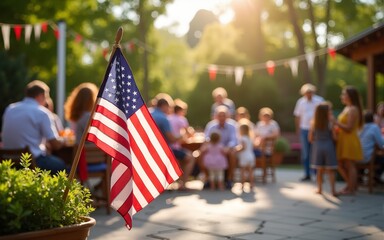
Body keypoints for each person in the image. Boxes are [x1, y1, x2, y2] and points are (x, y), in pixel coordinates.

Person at [1, 80, 66, 174]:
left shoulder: (10, 109)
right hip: (32, 162)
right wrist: (64, 140)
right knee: (62, 166)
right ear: (40, 96)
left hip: (9, 161)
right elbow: (55, 144)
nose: (46, 101)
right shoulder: (42, 112)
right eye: (46, 97)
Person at [150, 95, 195, 190]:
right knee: (190, 157)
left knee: (180, 156)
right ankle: (183, 184)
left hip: (148, 148)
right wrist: (182, 136)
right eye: (169, 107)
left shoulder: (148, 113)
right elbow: (171, 139)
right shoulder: (163, 118)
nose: (170, 110)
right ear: (164, 106)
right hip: (163, 150)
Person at [333, 86, 363, 195]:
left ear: (350, 96)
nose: (342, 96)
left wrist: (335, 122)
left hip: (349, 140)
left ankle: (351, 189)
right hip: (343, 140)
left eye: (344, 94)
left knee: (350, 165)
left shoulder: (353, 109)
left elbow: (349, 128)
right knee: (340, 164)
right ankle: (350, 185)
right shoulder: (347, 108)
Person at [293, 83, 324, 181]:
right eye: (307, 92)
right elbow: (297, 116)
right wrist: (298, 129)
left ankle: (317, 174)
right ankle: (307, 174)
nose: (309, 94)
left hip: (317, 130)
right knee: (306, 153)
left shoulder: (319, 100)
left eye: (310, 92)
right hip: (304, 129)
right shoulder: (300, 102)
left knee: (316, 152)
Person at [204, 105, 238, 189]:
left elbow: (234, 140)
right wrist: (213, 144)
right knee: (199, 155)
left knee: (232, 154)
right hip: (213, 148)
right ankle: (208, 179)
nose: (222, 118)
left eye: (224, 115)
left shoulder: (232, 125)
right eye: (220, 115)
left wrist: (227, 148)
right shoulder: (211, 126)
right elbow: (207, 138)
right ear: (216, 116)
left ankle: (229, 179)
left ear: (227, 116)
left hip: (227, 149)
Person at [308, 102, 338, 196]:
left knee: (319, 169)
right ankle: (333, 191)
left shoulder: (314, 123)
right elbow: (334, 137)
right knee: (330, 170)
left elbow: (310, 138)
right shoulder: (330, 122)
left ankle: (320, 189)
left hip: (317, 146)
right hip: (328, 145)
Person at [358, 111, 384, 184]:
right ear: (373, 119)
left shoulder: (359, 127)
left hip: (356, 157)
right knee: (382, 159)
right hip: (367, 158)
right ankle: (376, 177)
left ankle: (359, 178)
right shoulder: (374, 127)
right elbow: (381, 144)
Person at [236, 123, 255, 190]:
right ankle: (252, 184)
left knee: (243, 171)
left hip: (244, 156)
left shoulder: (243, 138)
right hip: (251, 155)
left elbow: (243, 147)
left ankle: (243, 184)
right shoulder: (250, 138)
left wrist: (236, 150)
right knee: (250, 171)